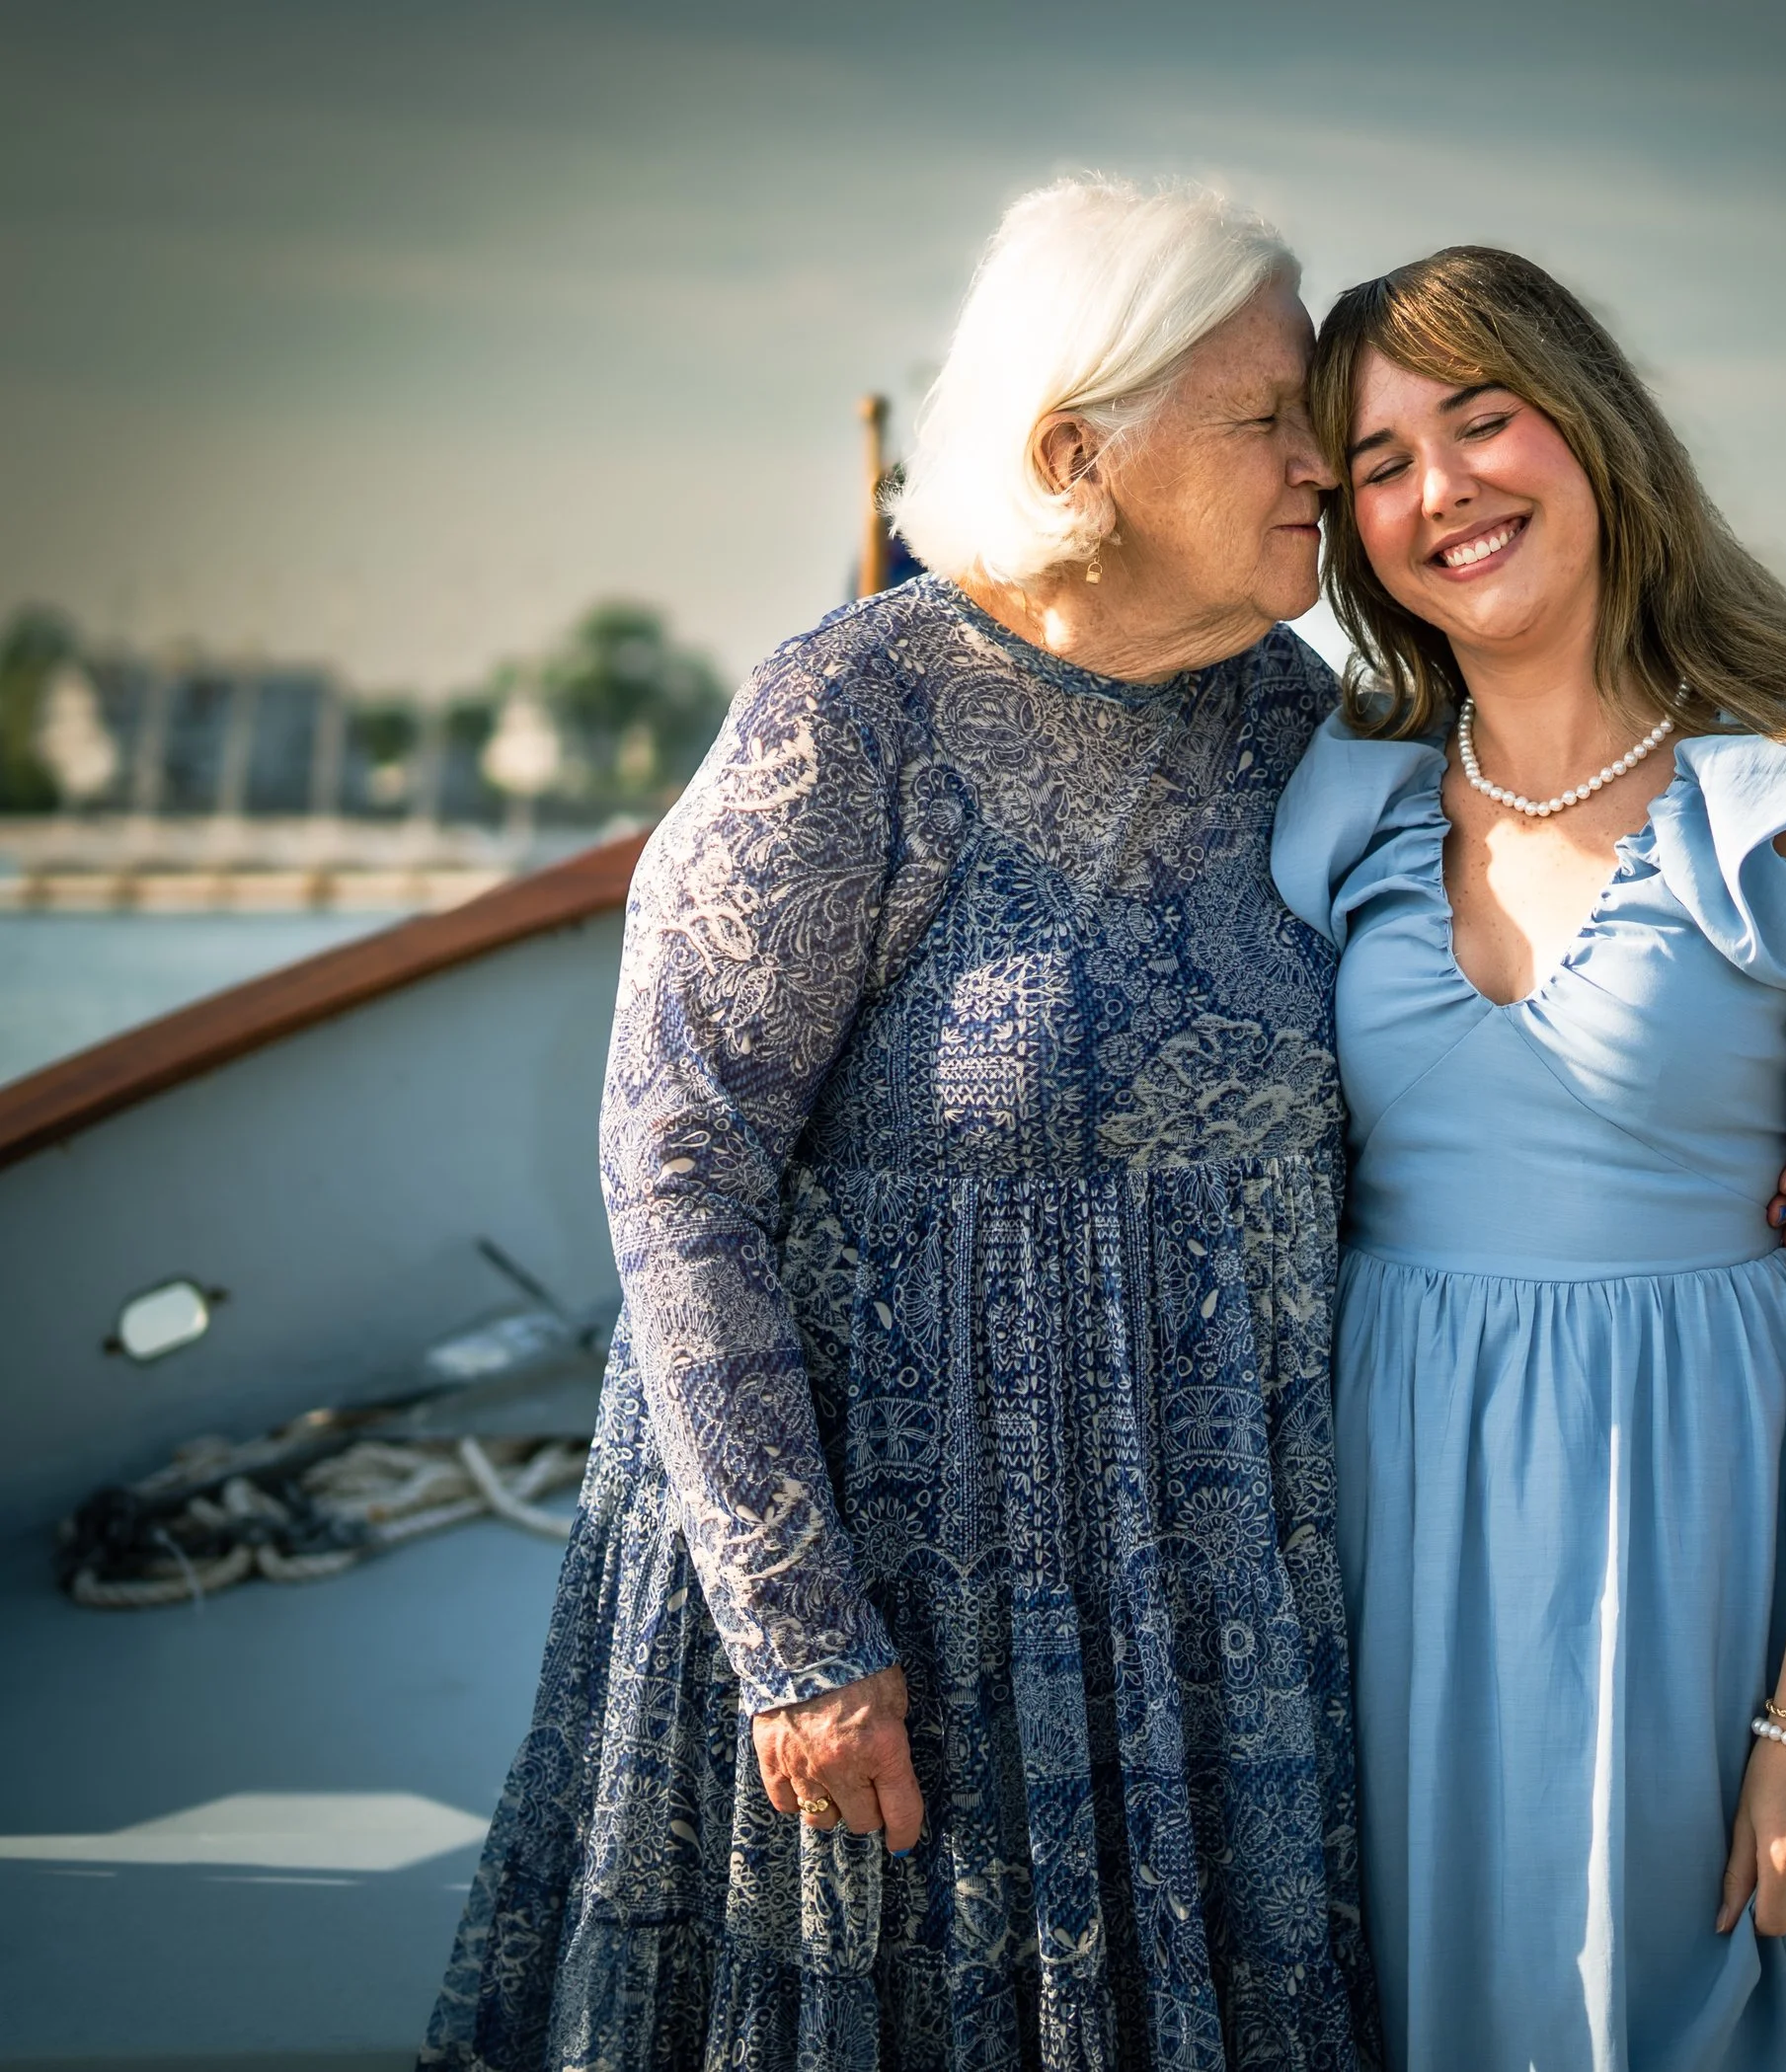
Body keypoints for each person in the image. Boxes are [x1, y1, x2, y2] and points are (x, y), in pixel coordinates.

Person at [422, 177, 1383, 2072]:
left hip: (1214, 1600)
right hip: (894, 1594)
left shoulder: (1311, 725)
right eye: (1268, 414)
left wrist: (1730, 1138)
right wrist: (796, 1630)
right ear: (1073, 452)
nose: (1327, 463)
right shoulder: (845, 715)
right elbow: (676, 1163)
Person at [1272, 247, 1786, 2068]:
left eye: (1480, 417)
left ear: (1590, 429)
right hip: (1399, 1524)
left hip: (1710, 1517)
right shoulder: (1333, 805)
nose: (1438, 489)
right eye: (1374, 462)